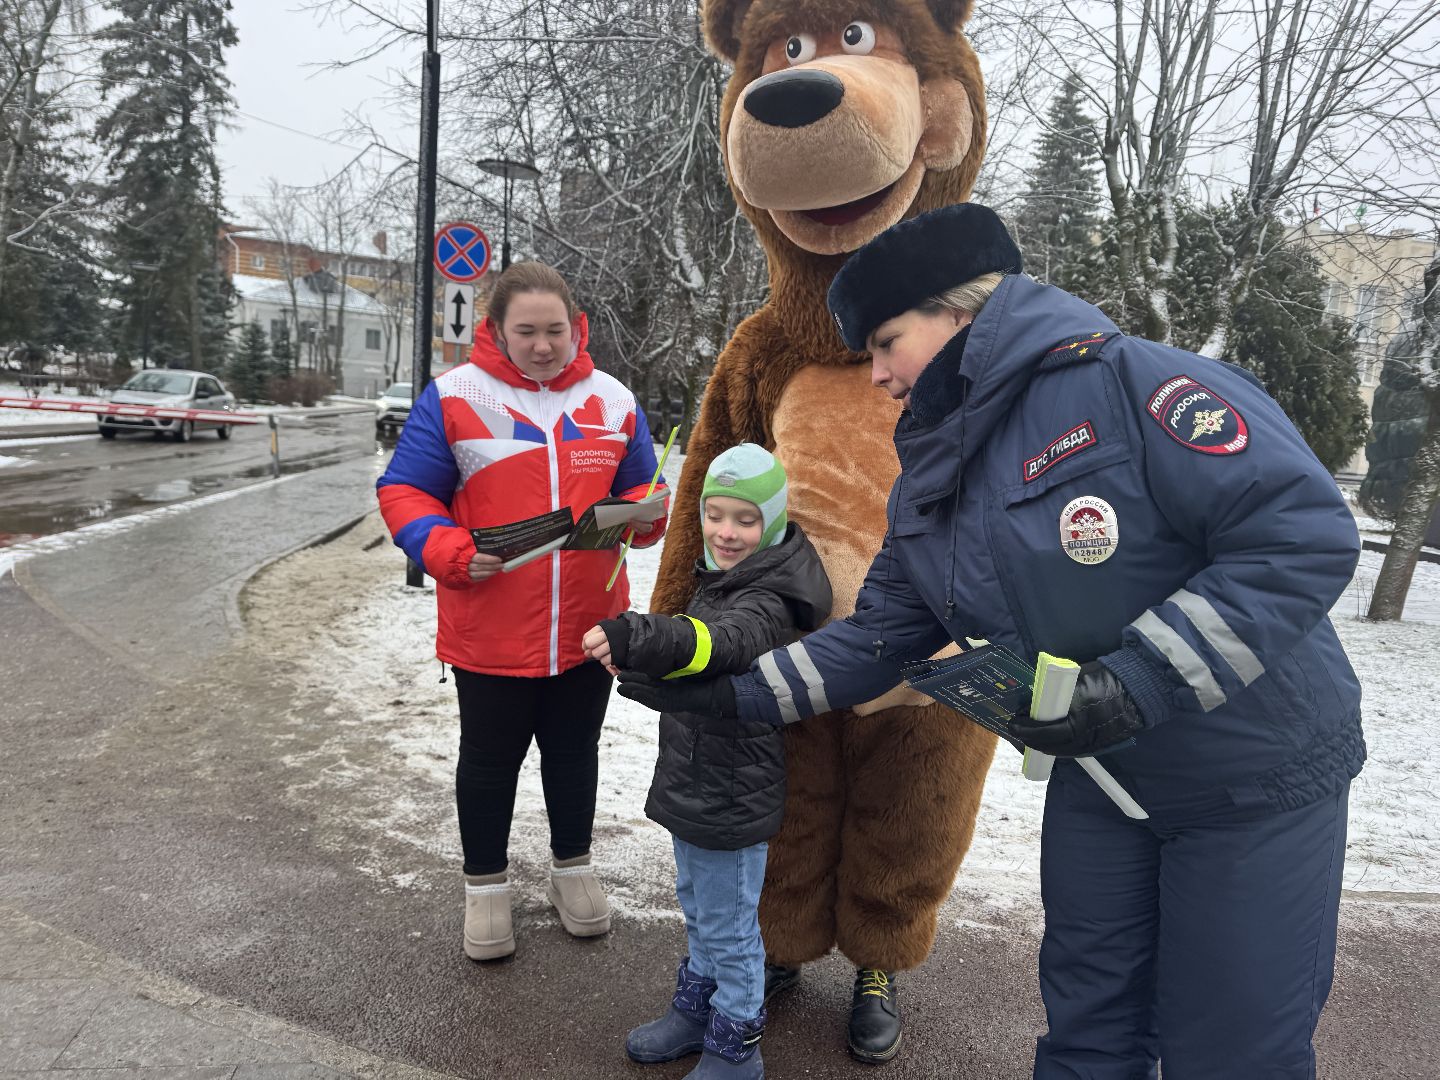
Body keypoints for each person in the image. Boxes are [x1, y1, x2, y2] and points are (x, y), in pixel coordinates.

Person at [617, 204, 1364, 1079]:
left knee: (1230, 1046)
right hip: (1104, 779)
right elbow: (883, 634)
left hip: (1250, 776)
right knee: (1089, 1026)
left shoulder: (1137, 384)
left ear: (960, 311)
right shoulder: (934, 471)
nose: (880, 378)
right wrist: (732, 693)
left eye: (887, 343)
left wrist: (1137, 682)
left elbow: (1300, 533)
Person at [376, 260, 669, 961]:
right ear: (497, 330)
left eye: (555, 330)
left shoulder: (613, 400)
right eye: (527, 331)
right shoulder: (454, 396)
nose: (543, 345)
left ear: (578, 328)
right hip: (490, 626)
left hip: (590, 627)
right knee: (489, 761)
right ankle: (486, 889)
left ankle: (572, 870)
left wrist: (648, 515)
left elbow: (643, 492)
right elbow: (405, 492)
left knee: (574, 755)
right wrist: (443, 547)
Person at [582, 443, 831, 1080]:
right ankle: (697, 1010)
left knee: (729, 927)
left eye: (745, 519)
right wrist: (647, 660)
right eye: (716, 515)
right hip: (698, 780)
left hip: (731, 792)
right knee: (699, 906)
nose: (727, 532)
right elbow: (696, 655)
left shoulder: (767, 597)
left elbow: (723, 644)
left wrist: (641, 636)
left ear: (772, 521)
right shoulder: (724, 577)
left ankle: (736, 1046)